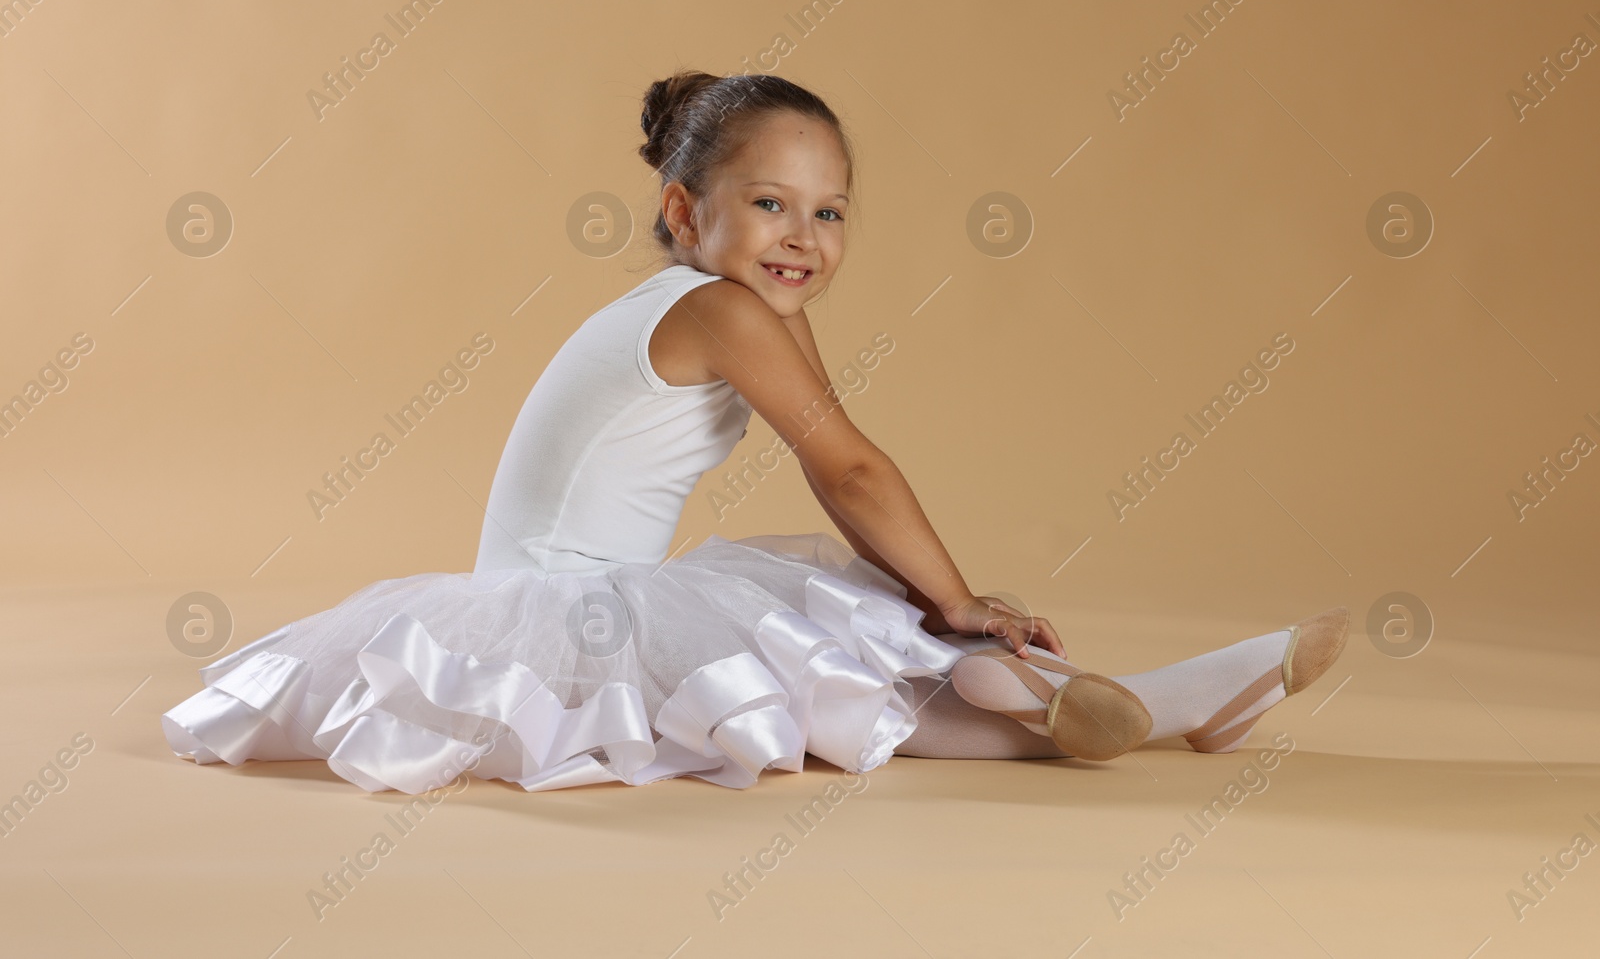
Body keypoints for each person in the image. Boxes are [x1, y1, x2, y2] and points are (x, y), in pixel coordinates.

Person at [160, 71, 1348, 794]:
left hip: (596, 596)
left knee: (854, 607)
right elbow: (851, 466)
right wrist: (962, 595)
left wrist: (934, 595)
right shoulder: (719, 307)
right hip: (564, 615)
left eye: (829, 210)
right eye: (769, 203)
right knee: (841, 625)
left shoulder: (742, 308)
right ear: (685, 213)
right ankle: (1090, 697)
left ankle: (1063, 697)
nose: (804, 234)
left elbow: (839, 469)